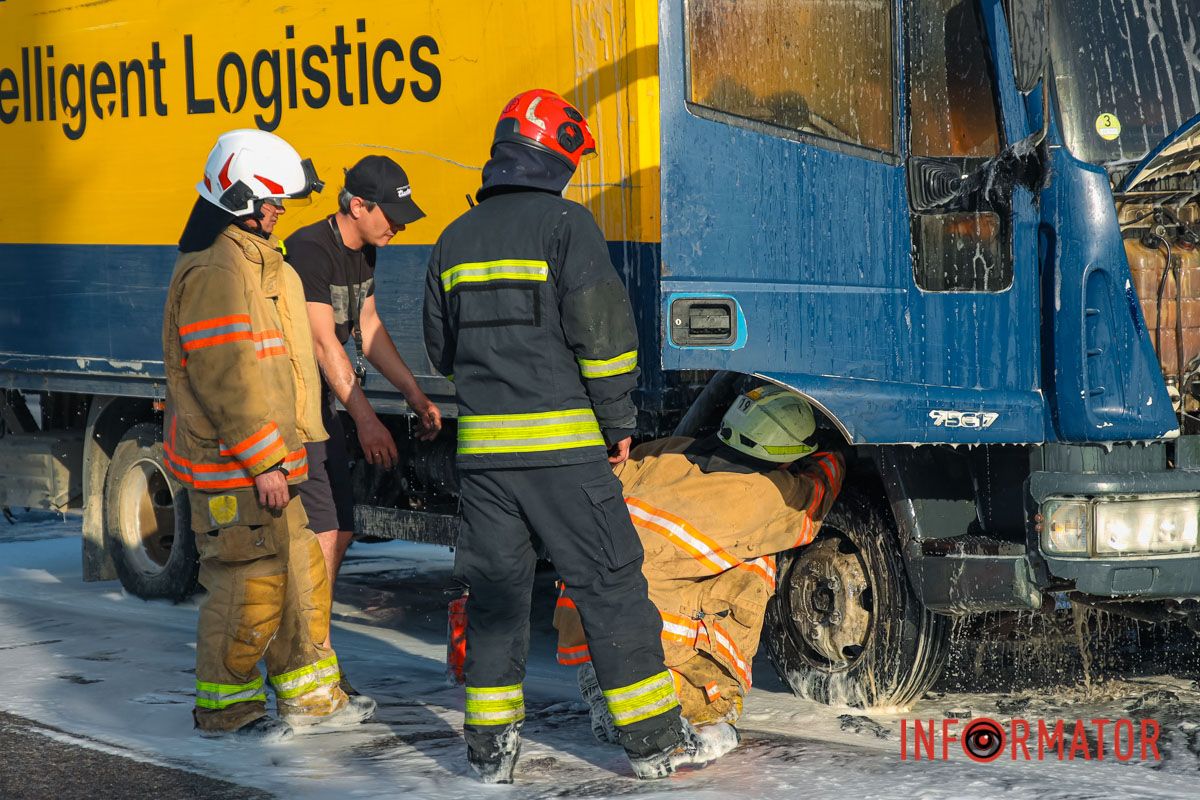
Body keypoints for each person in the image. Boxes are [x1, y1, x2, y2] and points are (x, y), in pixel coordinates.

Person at [423, 89, 722, 783]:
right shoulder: (566, 226)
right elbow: (606, 341)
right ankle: (651, 744)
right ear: (551, 154)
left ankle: (489, 754)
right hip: (565, 458)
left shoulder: (453, 239)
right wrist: (618, 421)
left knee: (496, 600)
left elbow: (441, 350)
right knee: (610, 588)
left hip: (486, 466)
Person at [163, 129, 376, 742]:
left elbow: (286, 369)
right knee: (247, 589)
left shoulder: (264, 264)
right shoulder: (215, 271)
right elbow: (228, 378)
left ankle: (311, 698)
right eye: (273, 203)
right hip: (237, 467)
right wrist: (262, 462)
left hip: (279, 461)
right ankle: (228, 713)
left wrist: (302, 447)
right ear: (240, 198)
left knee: (302, 579)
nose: (280, 213)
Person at [554, 386, 845, 745]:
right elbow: (815, 497)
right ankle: (658, 703)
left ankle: (605, 680)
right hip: (647, 630)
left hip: (584, 606)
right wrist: (838, 454)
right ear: (787, 455)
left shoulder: (669, 451)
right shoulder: (766, 496)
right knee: (752, 570)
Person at [285, 155, 442, 688]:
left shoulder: (366, 252)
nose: (398, 225)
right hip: (292, 409)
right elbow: (323, 342)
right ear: (357, 206)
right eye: (391, 215)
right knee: (324, 532)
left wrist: (415, 395)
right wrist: (368, 420)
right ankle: (313, 661)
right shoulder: (310, 250)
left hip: (323, 407)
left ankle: (313, 650)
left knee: (342, 529)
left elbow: (368, 329)